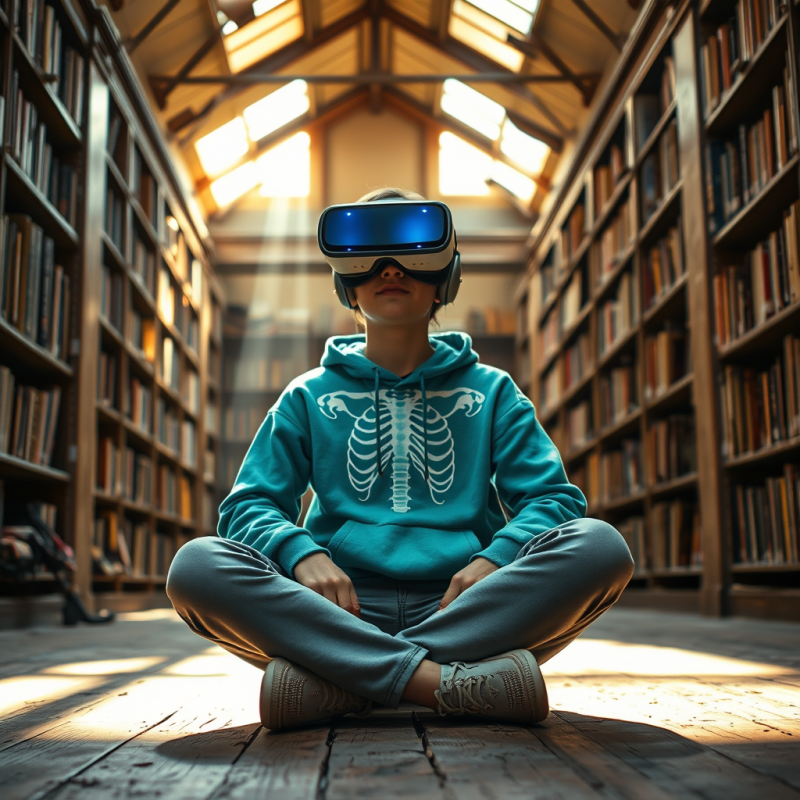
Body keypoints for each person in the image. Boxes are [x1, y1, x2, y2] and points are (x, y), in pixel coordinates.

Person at [166, 187, 634, 732]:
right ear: (347, 281)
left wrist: (495, 558)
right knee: (196, 566)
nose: (390, 270)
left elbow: (553, 500)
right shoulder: (306, 395)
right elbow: (248, 507)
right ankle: (443, 684)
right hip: (339, 606)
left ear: (446, 278)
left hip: (464, 604)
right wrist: (301, 555)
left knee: (601, 547)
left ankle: (342, 679)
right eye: (371, 259)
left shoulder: (494, 391)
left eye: (412, 255)